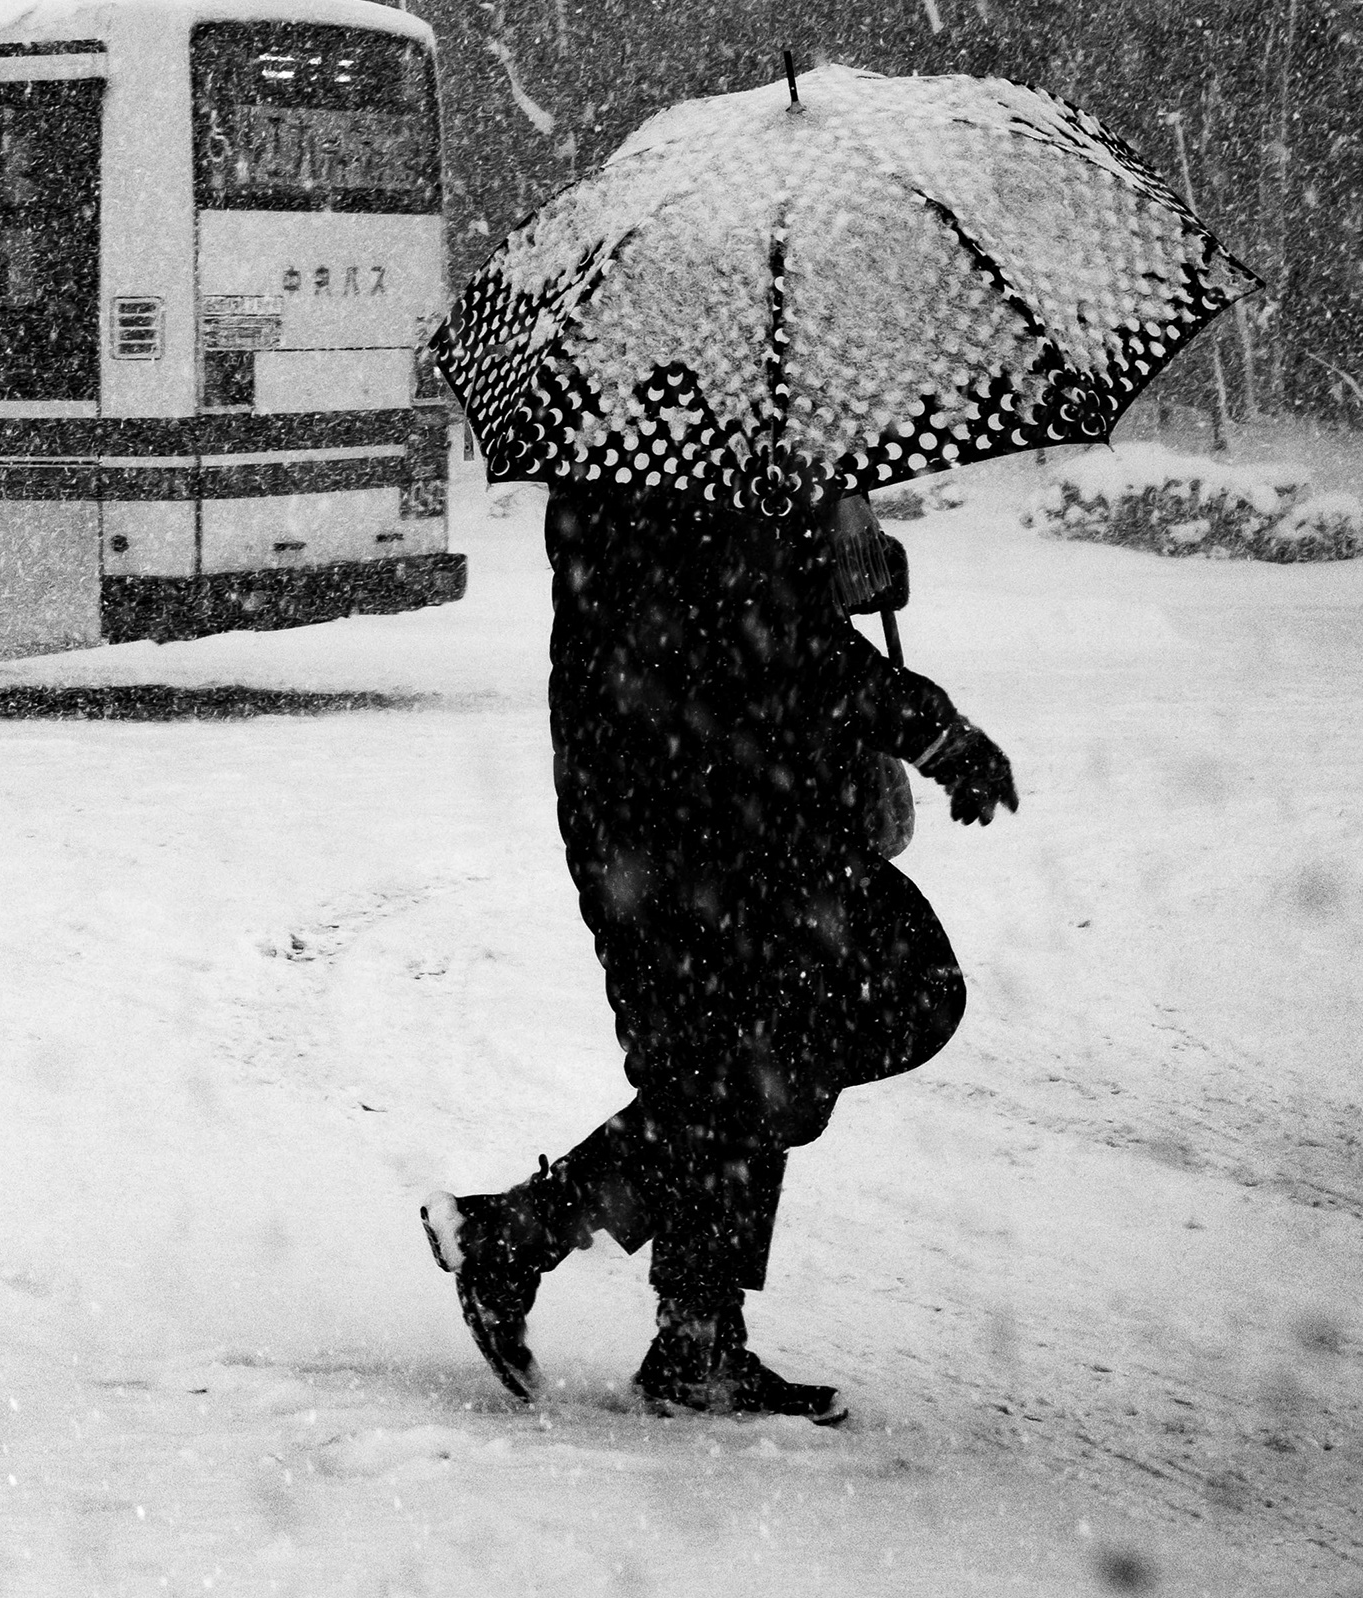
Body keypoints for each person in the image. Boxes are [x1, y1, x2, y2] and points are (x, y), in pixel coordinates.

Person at [422, 482, 1021, 1423]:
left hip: (684, 837)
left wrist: (834, 550)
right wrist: (943, 737)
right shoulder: (702, 498)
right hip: (710, 844)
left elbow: (778, 636)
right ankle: (558, 1262)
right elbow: (803, 658)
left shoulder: (645, 479)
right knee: (821, 1034)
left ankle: (660, 1322)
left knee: (738, 1072)